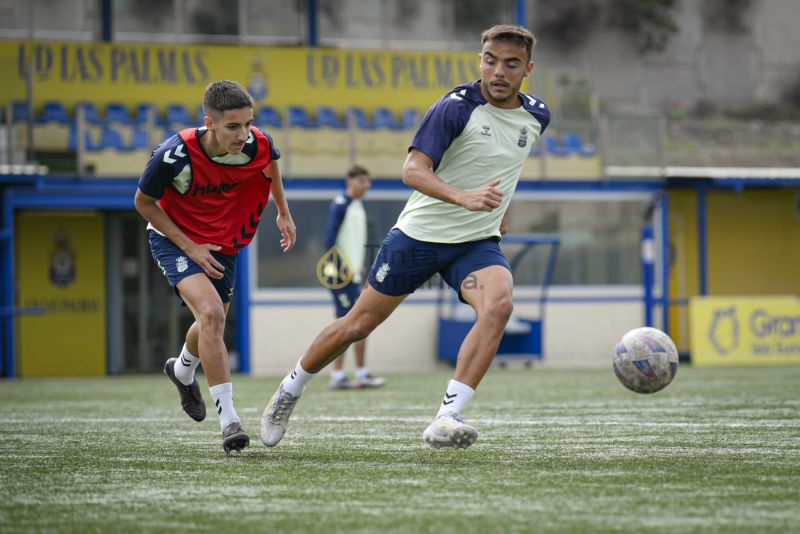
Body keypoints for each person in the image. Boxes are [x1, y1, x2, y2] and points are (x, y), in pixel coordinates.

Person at [260, 24, 549, 449]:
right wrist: (465, 198)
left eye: (510, 64)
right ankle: (289, 390)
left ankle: (446, 418)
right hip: (418, 240)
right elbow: (412, 171)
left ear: (528, 68)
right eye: (490, 60)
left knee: (500, 305)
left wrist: (500, 209)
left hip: (475, 244)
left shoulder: (538, 114)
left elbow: (508, 164)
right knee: (357, 325)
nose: (498, 71)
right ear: (479, 60)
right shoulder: (454, 107)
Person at [134, 80, 296, 453]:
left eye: (248, 124)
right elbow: (143, 202)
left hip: (223, 241)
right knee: (211, 315)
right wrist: (190, 247)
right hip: (175, 238)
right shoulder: (174, 155)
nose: (244, 134)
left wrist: (283, 212)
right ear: (210, 123)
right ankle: (230, 422)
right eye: (233, 126)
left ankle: (182, 370)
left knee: (211, 321)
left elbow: (271, 162)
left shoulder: (258, 142)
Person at [323, 164, 386, 390]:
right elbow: (329, 241)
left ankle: (356, 373)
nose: (366, 186)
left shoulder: (358, 207)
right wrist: (344, 267)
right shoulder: (341, 205)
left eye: (368, 182)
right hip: (341, 276)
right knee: (349, 323)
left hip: (353, 275)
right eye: (362, 181)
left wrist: (357, 266)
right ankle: (341, 375)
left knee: (355, 322)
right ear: (349, 181)